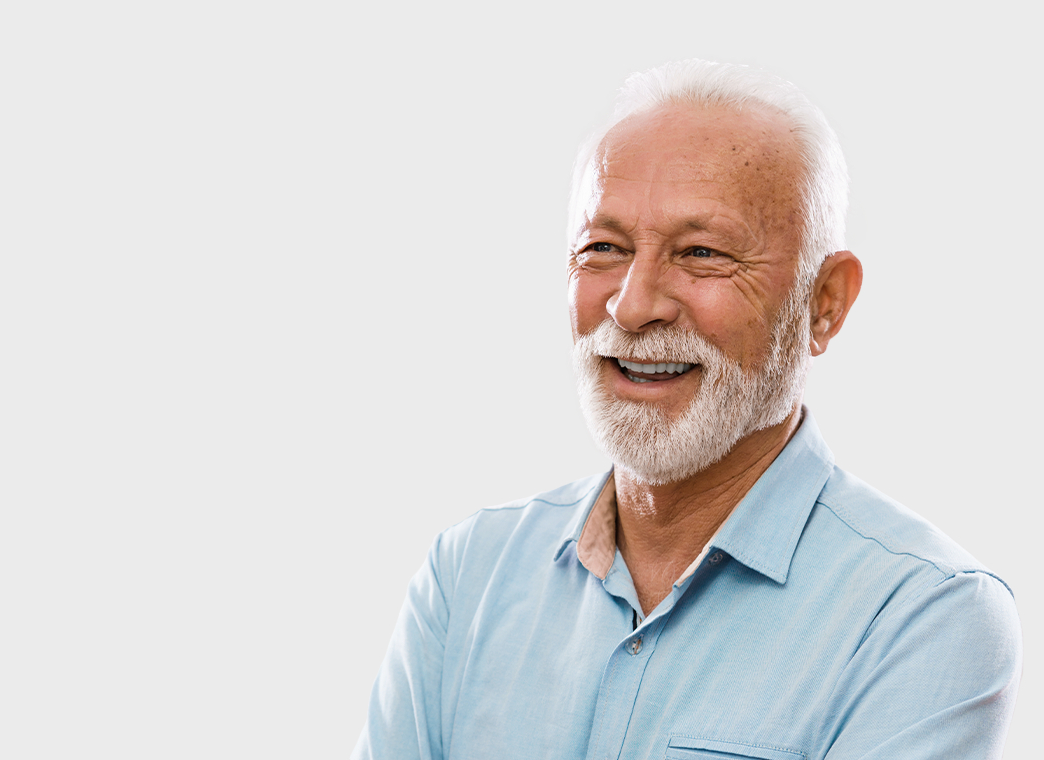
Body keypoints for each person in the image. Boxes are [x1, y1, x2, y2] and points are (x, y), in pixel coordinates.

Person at [352, 60, 1022, 760]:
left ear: (825, 303)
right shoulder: (468, 576)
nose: (634, 306)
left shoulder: (922, 615)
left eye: (702, 253)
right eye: (603, 248)